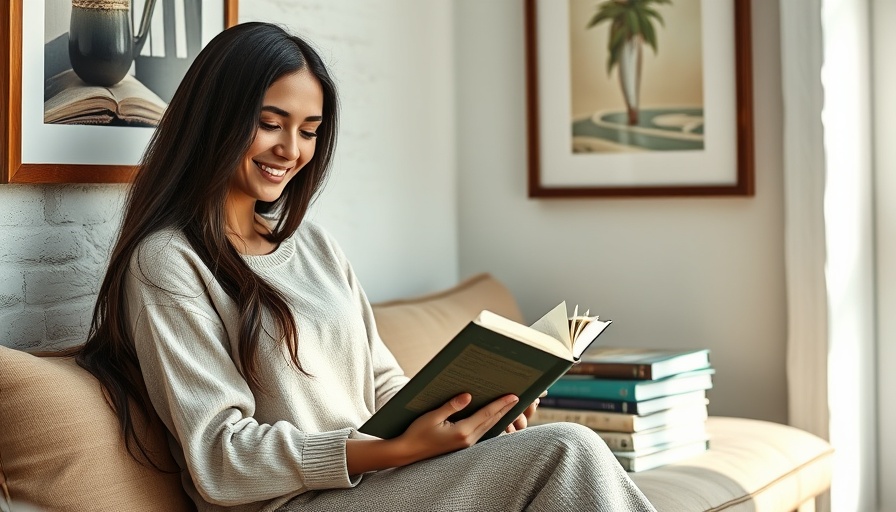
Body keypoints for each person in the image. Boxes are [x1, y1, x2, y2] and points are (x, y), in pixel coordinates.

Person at [73, 22, 657, 512]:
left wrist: (470, 417)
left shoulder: (314, 246)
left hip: (383, 482)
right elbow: (222, 456)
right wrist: (391, 453)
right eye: (271, 123)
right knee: (567, 450)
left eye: (309, 131)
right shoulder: (167, 263)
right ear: (214, 119)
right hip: (299, 502)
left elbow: (383, 386)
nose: (291, 151)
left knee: (557, 453)